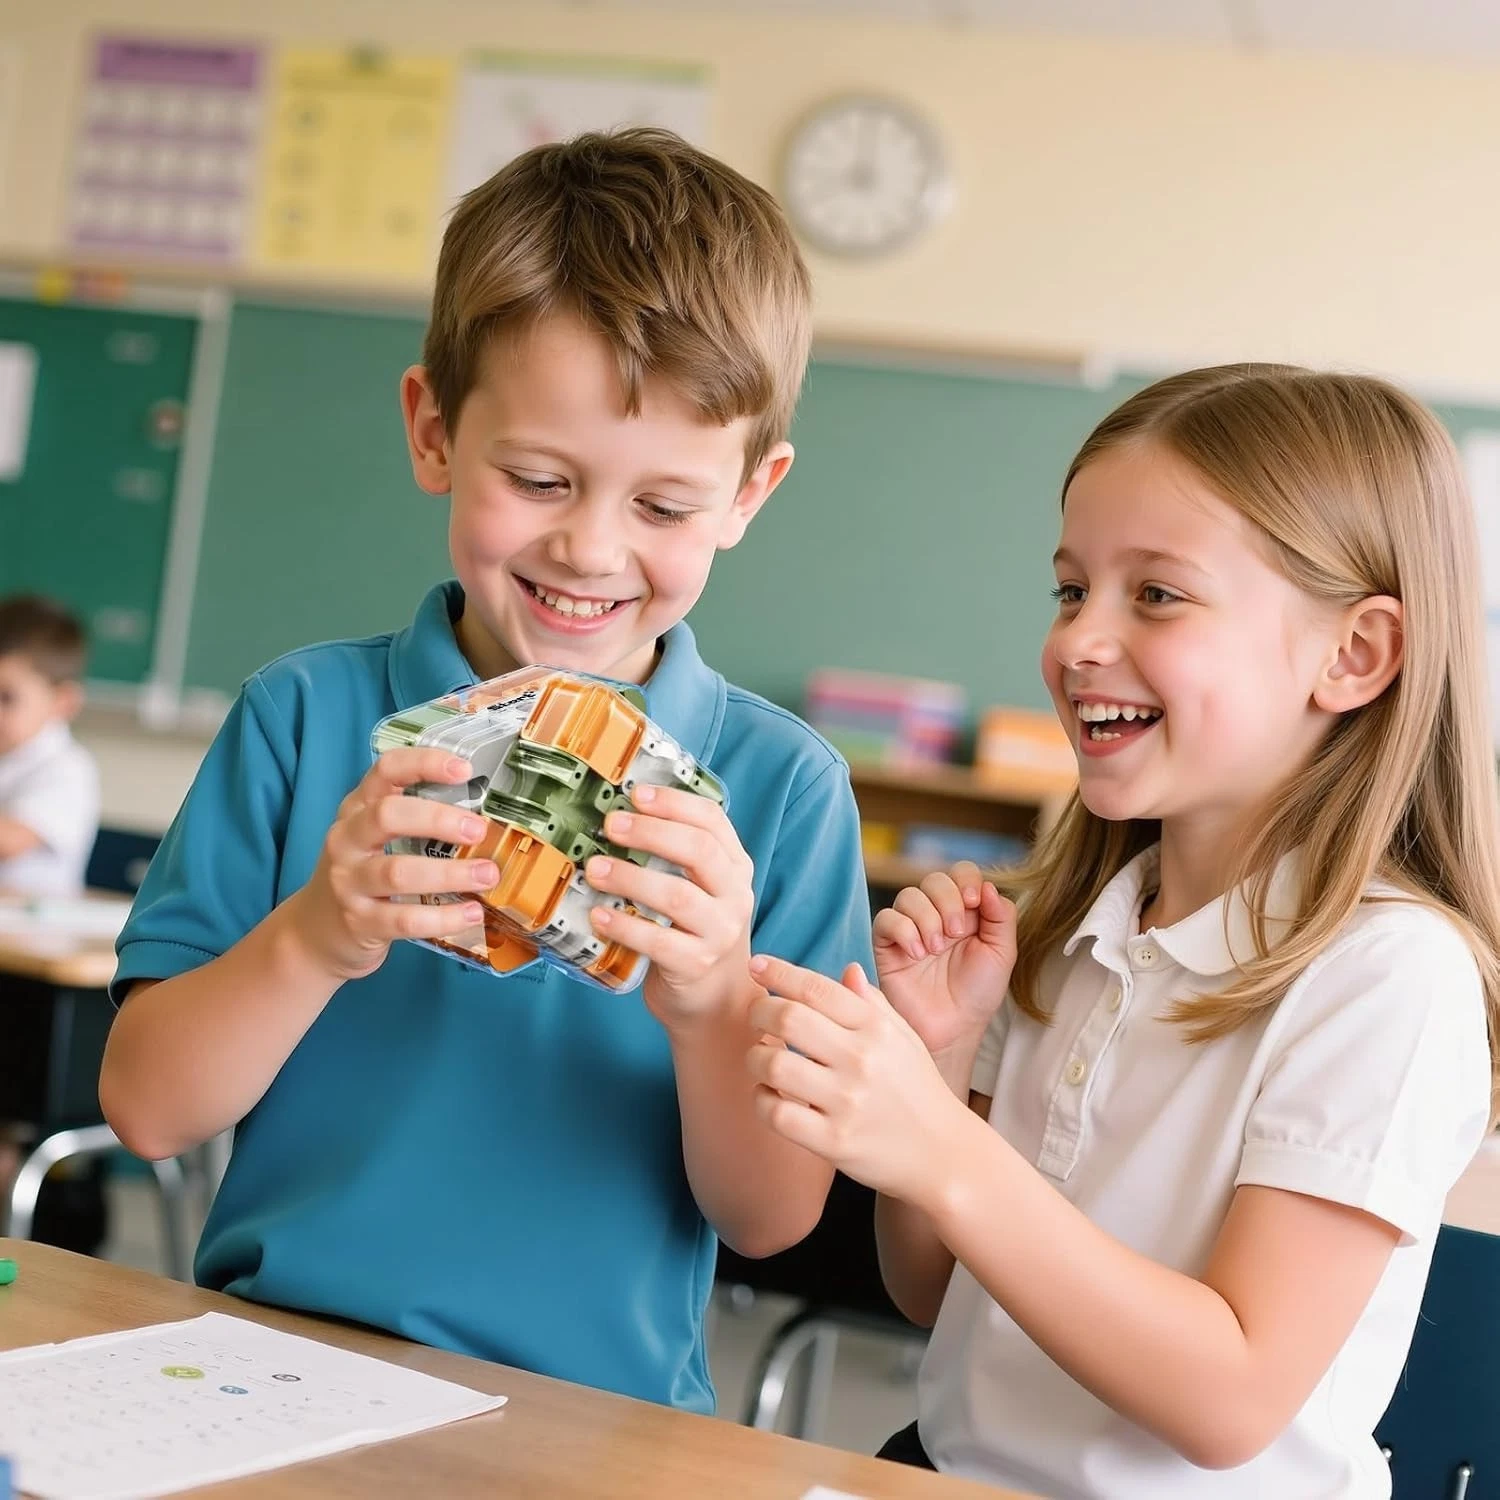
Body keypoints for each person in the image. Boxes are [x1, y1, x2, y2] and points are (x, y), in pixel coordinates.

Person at [99, 129, 873, 1412]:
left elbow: (771, 1220)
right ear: (433, 431)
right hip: (267, 1380)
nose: (588, 547)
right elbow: (147, 1111)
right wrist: (316, 937)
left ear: (751, 493)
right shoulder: (305, 716)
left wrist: (711, 1001)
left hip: (598, 1426)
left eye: (664, 508)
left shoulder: (783, 790)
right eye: (536, 478)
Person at [748, 364, 1499, 1497]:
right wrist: (941, 1059)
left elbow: (1229, 1397)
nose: (1076, 643)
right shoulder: (1069, 930)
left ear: (1353, 655)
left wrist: (943, 1146)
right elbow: (929, 1287)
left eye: (1156, 595)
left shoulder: (1390, 976)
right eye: (1069, 590)